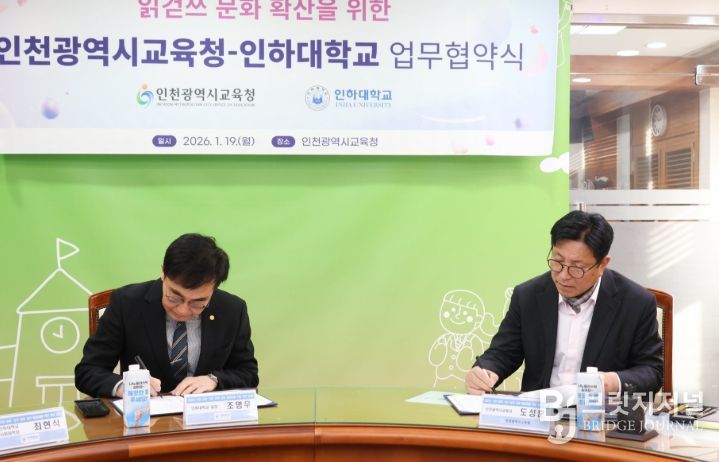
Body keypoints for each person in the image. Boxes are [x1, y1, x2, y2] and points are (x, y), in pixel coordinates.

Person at [465, 211, 663, 396]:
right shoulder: (528, 295)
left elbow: (652, 372)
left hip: (599, 414)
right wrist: (485, 371)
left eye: (577, 267)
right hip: (538, 412)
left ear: (602, 264)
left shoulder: (636, 303)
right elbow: (503, 353)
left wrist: (612, 382)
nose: (563, 276)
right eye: (557, 261)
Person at [75, 233, 258, 398]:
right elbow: (88, 371)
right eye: (175, 297)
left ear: (214, 288)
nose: (183, 310)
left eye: (197, 303)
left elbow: (248, 373)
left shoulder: (232, 309)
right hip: (144, 417)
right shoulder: (127, 303)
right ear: (163, 272)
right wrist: (125, 386)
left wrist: (214, 379)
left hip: (206, 418)